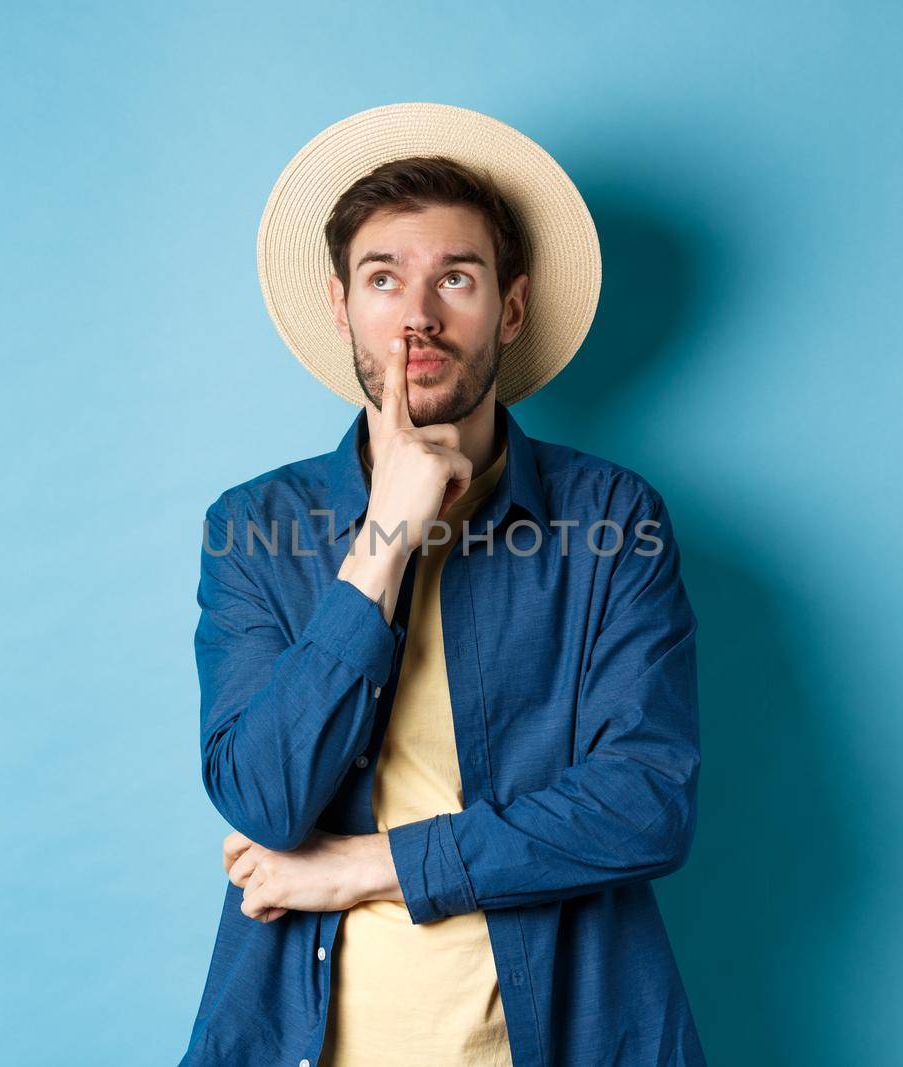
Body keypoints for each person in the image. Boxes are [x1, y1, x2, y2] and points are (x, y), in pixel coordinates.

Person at [181, 103, 705, 1067]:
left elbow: (645, 800)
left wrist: (364, 867)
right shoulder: (255, 527)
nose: (417, 315)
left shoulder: (614, 520)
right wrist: (384, 537)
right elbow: (262, 794)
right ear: (343, 308)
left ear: (510, 307)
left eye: (453, 279)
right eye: (384, 280)